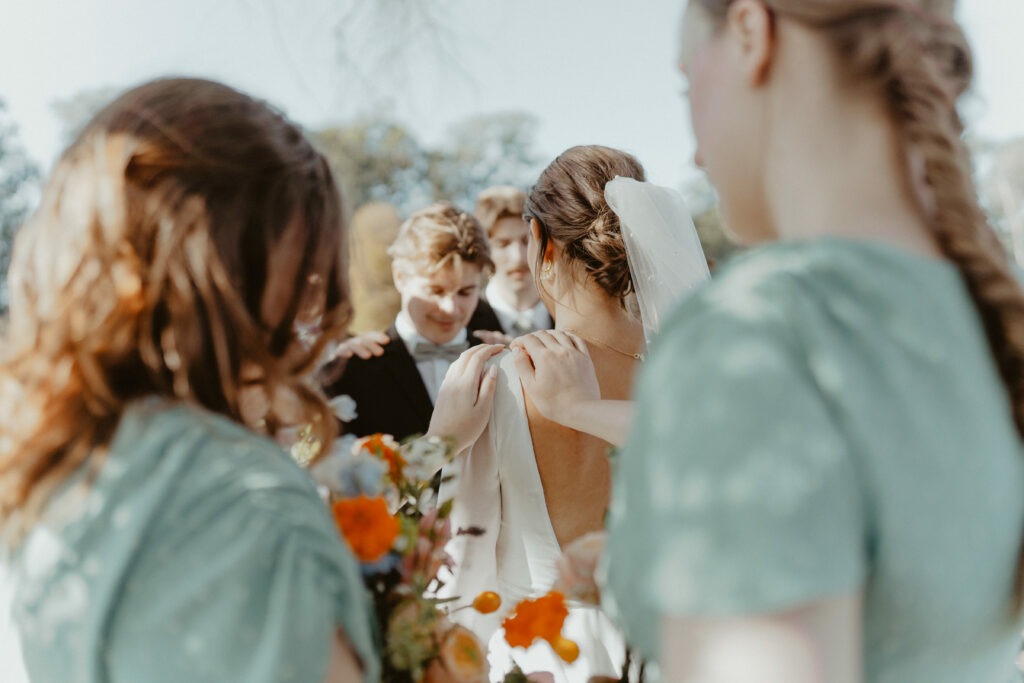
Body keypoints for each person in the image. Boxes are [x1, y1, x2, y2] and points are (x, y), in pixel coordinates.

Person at [525, 2, 1024, 682]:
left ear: (752, 34)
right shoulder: (985, 315)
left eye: (685, 83)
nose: (696, 151)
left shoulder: (758, 331)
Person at [442, 145, 663, 683]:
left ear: (540, 240)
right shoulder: (689, 368)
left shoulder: (496, 380)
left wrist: (441, 441)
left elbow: (460, 557)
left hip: (545, 658)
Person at [321, 202, 497, 443]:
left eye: (465, 292)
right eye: (435, 290)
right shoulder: (351, 371)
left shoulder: (500, 363)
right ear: (400, 277)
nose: (450, 308)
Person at [469, 185, 553, 340]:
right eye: (502, 244)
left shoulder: (572, 317)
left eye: (526, 241)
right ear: (482, 250)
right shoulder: (465, 322)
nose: (518, 257)